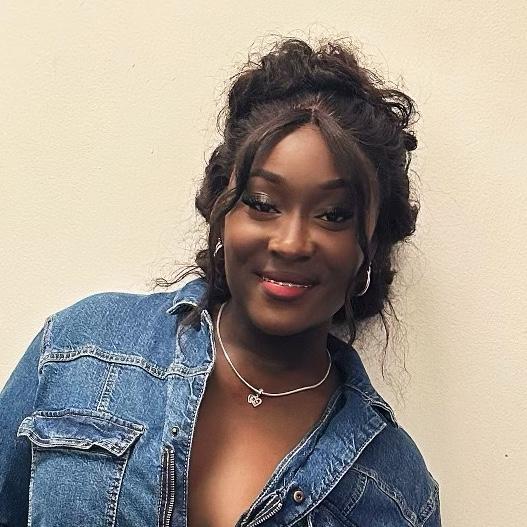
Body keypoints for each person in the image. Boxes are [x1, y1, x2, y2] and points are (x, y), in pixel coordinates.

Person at [0, 38, 441, 526]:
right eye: (263, 203)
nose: (291, 243)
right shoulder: (80, 348)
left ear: (371, 246)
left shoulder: (398, 494)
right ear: (221, 209)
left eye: (334, 215)